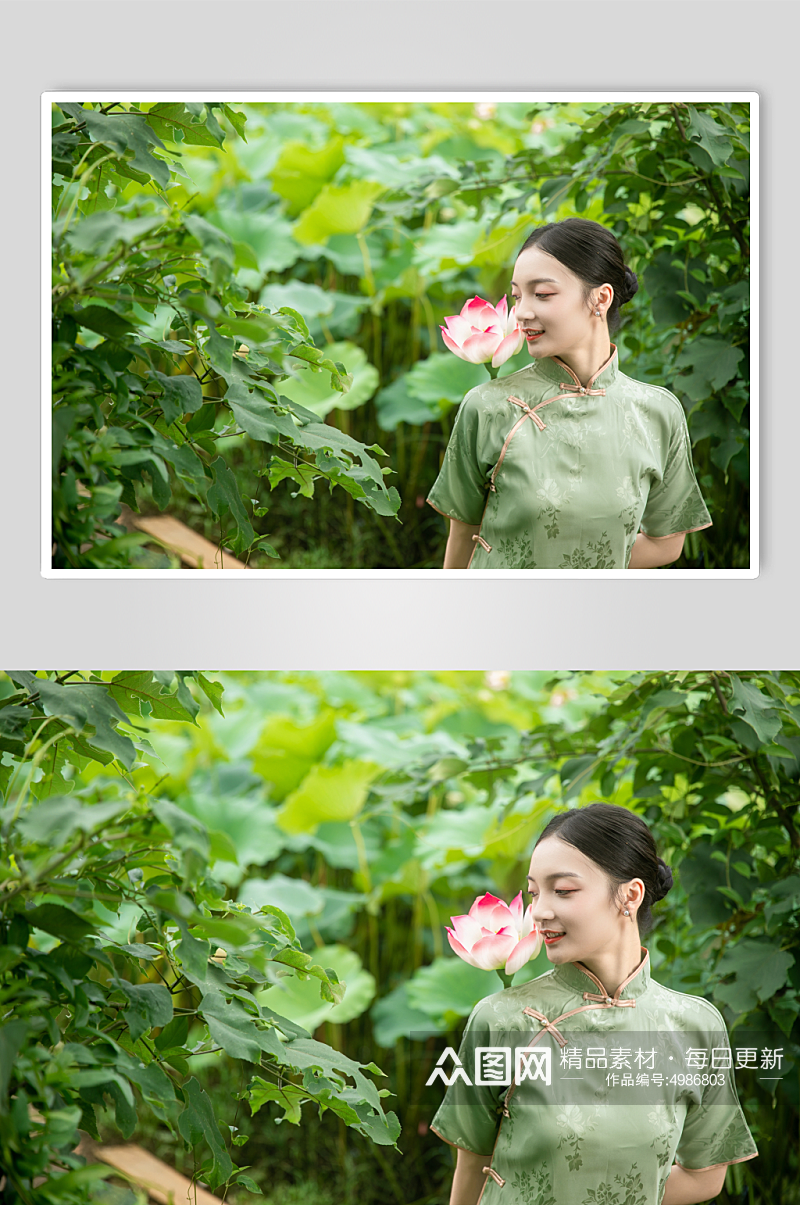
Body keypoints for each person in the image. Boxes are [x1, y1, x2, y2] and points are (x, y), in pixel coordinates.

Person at [430, 803, 757, 1205]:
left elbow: (704, 1177)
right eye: (534, 893)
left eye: (563, 890)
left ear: (630, 895)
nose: (539, 911)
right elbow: (471, 1171)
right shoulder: (502, 1020)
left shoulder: (694, 1026)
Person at [427, 219, 712, 569]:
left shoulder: (657, 412)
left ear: (600, 298)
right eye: (517, 296)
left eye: (542, 294)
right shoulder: (489, 407)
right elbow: (462, 542)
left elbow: (666, 544)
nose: (521, 312)